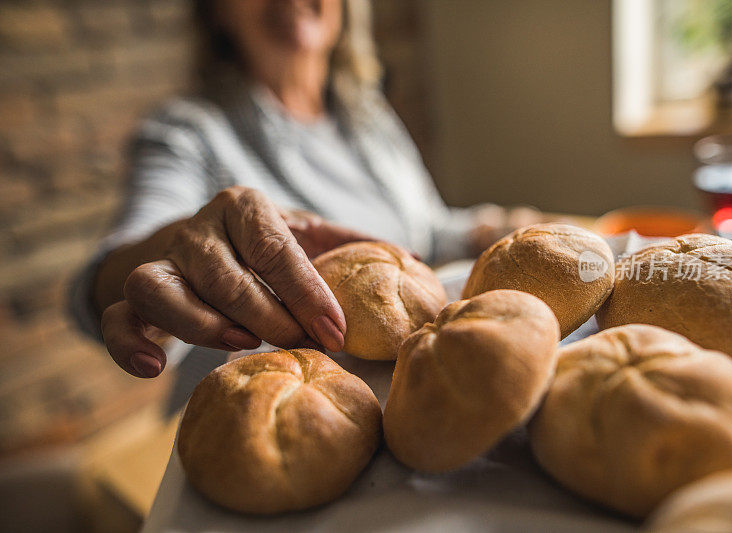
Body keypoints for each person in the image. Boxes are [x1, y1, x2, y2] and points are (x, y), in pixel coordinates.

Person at [70, 0, 538, 380]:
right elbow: (104, 282)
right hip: (252, 399)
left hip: (396, 385)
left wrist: (494, 226)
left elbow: (425, 230)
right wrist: (170, 251)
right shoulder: (188, 133)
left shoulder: (366, 116)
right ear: (216, 11)